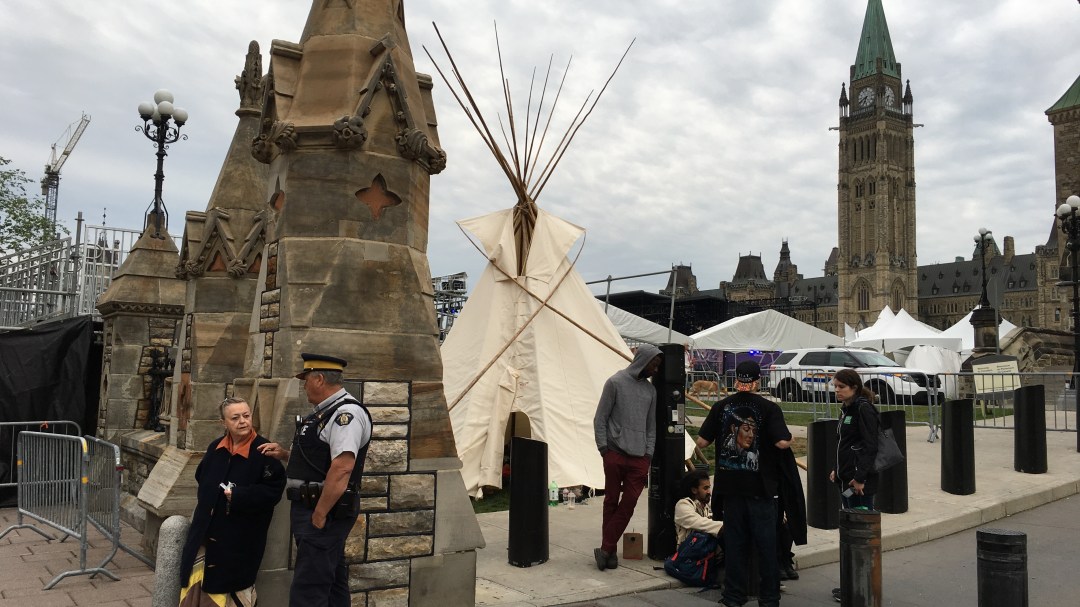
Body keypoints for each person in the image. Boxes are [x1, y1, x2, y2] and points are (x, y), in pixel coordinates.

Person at [258, 353, 372, 607]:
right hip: (315, 508)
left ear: (319, 379)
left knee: (308, 591)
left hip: (323, 511)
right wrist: (284, 454)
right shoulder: (325, 413)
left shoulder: (345, 414)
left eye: (306, 379)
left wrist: (320, 515)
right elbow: (319, 461)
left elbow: (342, 469)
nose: (304, 386)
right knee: (331, 584)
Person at [696, 360, 792, 607]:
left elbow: (702, 442)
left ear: (736, 379)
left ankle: (733, 596)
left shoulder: (721, 406)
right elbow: (782, 442)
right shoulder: (769, 408)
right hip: (760, 490)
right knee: (766, 546)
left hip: (730, 489)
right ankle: (768, 598)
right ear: (757, 381)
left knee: (735, 545)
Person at [179, 397, 286, 607]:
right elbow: (202, 477)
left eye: (246, 415)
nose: (243, 421)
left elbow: (273, 491)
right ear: (224, 422)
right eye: (235, 418)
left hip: (240, 540)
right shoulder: (215, 448)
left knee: (231, 590)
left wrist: (239, 495)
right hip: (204, 535)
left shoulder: (265, 452)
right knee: (197, 588)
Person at [592, 343, 661, 571]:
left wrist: (648, 454)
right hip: (614, 452)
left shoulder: (651, 391)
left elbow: (651, 426)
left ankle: (606, 548)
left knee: (629, 502)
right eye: (653, 364)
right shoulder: (615, 382)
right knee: (611, 501)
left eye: (658, 365)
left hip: (639, 457)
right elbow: (600, 418)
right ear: (643, 360)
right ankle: (609, 551)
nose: (655, 369)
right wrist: (604, 448)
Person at [829, 368, 879, 603]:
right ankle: (850, 583)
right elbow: (844, 443)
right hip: (846, 479)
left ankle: (862, 586)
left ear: (854, 387)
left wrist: (860, 477)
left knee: (860, 533)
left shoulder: (863, 408)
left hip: (859, 483)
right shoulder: (847, 408)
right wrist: (837, 470)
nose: (837, 391)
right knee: (849, 532)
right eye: (835, 386)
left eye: (841, 387)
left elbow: (870, 446)